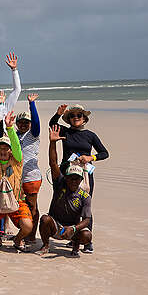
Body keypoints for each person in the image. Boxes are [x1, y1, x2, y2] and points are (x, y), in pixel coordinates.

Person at [48, 103, 108, 253]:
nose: (76, 118)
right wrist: (58, 114)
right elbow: (52, 125)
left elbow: (104, 153)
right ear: (68, 119)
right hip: (66, 174)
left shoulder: (90, 135)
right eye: (72, 116)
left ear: (84, 119)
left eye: (79, 115)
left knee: (84, 205)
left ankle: (87, 243)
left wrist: (91, 157)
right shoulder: (65, 132)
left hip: (85, 175)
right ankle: (72, 237)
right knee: (67, 203)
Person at [0, 111, 33, 251]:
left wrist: (10, 129)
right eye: (0, 148)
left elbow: (16, 145)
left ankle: (17, 240)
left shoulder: (17, 161)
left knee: (28, 225)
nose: (3, 151)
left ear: (11, 151)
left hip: (16, 202)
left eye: (6, 148)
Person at [39, 126, 93, 256]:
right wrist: (52, 143)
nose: (73, 181)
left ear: (81, 180)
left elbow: (86, 219)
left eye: (76, 179)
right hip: (55, 225)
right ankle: (46, 244)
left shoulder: (84, 196)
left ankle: (76, 246)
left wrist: (74, 228)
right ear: (66, 177)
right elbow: (53, 163)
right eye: (70, 178)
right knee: (45, 219)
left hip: (72, 230)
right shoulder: (59, 184)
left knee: (87, 235)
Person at [16, 94, 42, 243]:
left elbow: (37, 122)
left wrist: (31, 104)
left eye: (27, 122)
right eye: (21, 122)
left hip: (31, 178)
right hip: (18, 178)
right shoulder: (15, 135)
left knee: (32, 207)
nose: (24, 124)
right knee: (22, 207)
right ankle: (25, 232)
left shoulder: (33, 134)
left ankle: (31, 236)